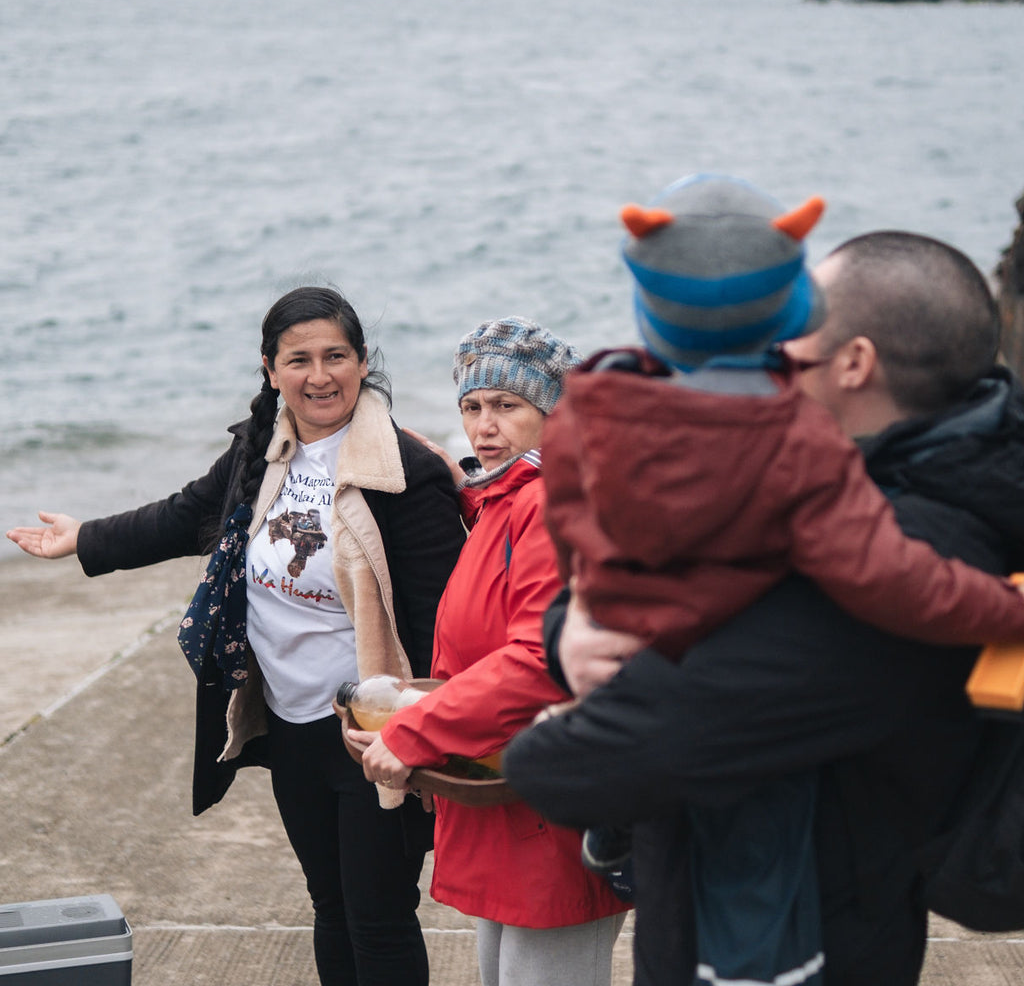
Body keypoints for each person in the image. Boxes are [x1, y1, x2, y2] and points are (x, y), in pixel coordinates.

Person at [504, 230, 1024, 985]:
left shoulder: (894, 556)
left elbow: (576, 767)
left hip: (784, 949)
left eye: (793, 325)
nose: (770, 347)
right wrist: (570, 627)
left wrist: (567, 677)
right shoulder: (866, 487)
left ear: (855, 362)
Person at [7, 286, 466, 986]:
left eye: (337, 356)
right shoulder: (264, 451)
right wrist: (85, 539)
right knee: (330, 903)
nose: (320, 375)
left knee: (379, 915)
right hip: (290, 720)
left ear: (363, 361)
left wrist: (436, 727)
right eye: (300, 359)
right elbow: (188, 513)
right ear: (270, 368)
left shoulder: (405, 471)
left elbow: (444, 620)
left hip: (375, 725)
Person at [346, 316, 631, 986]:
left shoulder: (556, 504)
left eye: (507, 406)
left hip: (554, 810)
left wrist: (417, 729)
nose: (484, 426)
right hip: (512, 804)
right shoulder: (504, 500)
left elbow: (540, 656)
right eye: (471, 407)